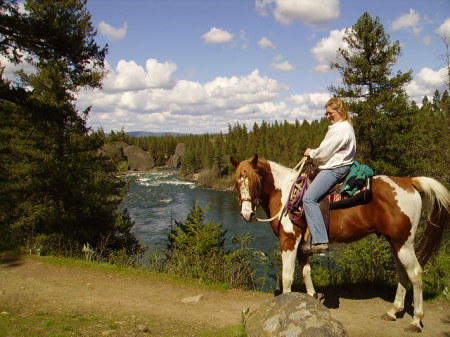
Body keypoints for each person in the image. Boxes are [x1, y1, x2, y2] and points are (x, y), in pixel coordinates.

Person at [302, 97, 356, 254]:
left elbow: (324, 152)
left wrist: (311, 153)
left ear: (340, 111)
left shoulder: (340, 129)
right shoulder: (344, 127)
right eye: (326, 113)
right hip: (340, 165)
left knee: (308, 198)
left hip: (335, 168)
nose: (328, 116)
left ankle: (320, 240)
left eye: (330, 113)